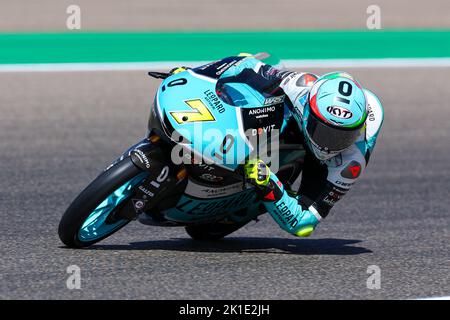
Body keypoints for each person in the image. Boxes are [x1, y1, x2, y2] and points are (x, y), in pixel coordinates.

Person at [209, 54, 384, 237]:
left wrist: (267, 182)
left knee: (299, 211)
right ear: (308, 111)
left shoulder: (352, 161)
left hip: (325, 166)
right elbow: (247, 65)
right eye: (324, 133)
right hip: (295, 119)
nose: (329, 145)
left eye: (343, 137)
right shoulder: (299, 87)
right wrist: (199, 73)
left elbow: (303, 225)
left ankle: (264, 193)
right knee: (262, 91)